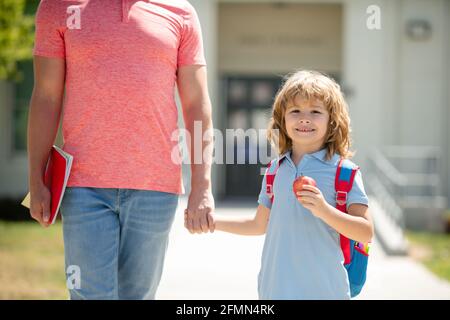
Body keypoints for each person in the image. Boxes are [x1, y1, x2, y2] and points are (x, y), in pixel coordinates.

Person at [27, 0, 214, 300]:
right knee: (89, 296)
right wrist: (36, 178)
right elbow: (47, 96)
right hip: (82, 185)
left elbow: (196, 104)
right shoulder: (58, 6)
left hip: (156, 187)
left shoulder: (180, 12)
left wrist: (202, 186)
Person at [202, 70, 374, 299]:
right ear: (282, 119)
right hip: (275, 290)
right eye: (295, 111)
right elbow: (258, 225)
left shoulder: (345, 172)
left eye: (315, 111)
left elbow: (365, 232)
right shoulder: (275, 170)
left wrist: (323, 210)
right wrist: (212, 222)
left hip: (325, 291)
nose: (305, 118)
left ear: (332, 120)